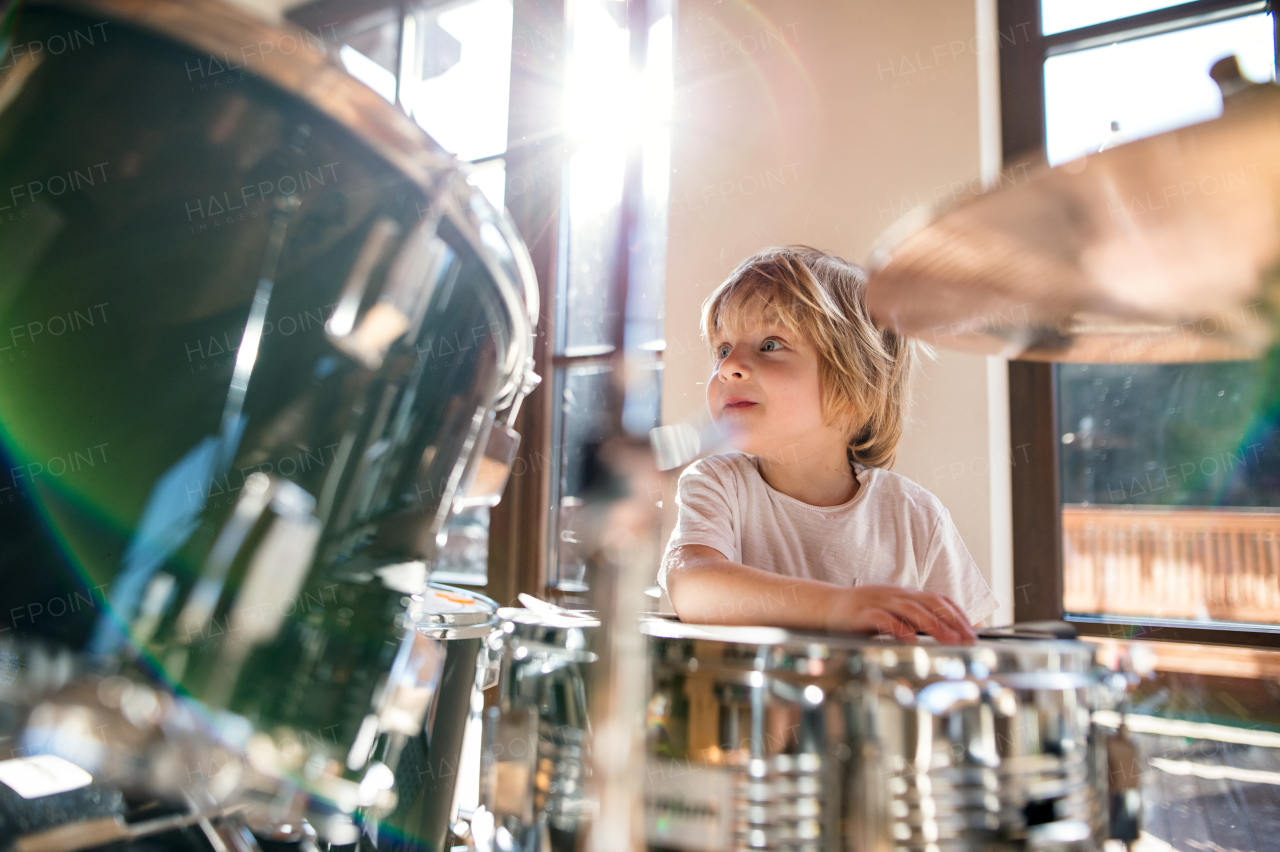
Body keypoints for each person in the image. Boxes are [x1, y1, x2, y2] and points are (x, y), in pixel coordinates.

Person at [659, 246, 998, 644]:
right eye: (723, 348)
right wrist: (839, 607)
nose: (728, 367)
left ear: (855, 387)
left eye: (770, 344)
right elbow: (692, 585)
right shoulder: (718, 483)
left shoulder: (915, 516)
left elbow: (969, 647)